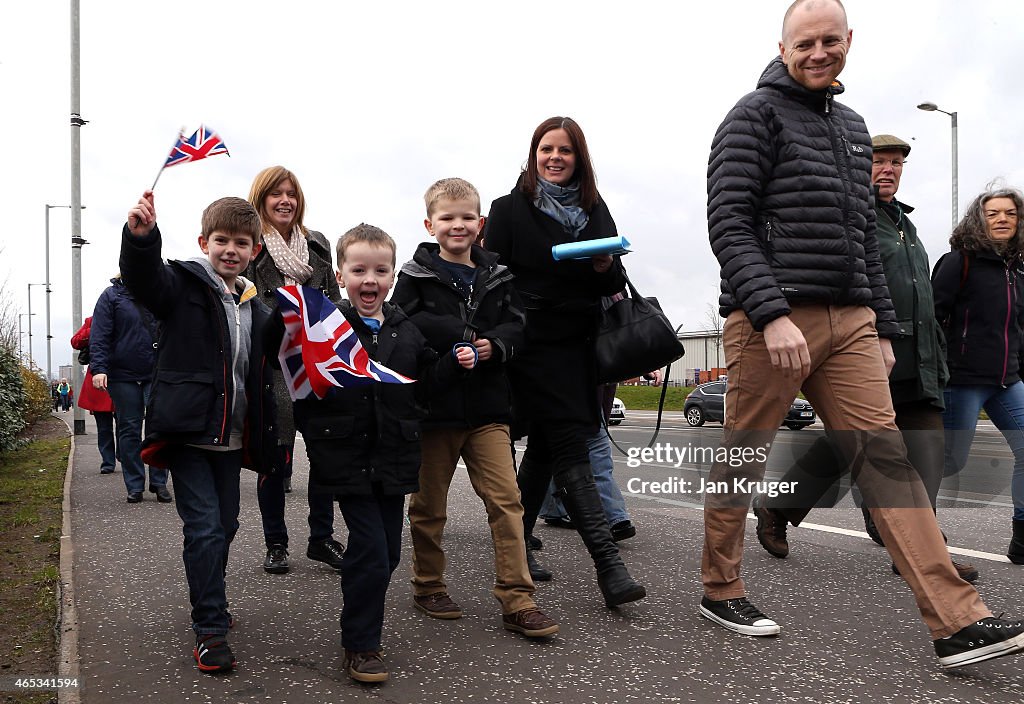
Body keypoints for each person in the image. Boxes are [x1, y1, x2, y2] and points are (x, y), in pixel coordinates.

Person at [703, 0, 1024, 669]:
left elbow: (863, 239)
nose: (818, 52)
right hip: (773, 317)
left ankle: (956, 619)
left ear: (848, 41)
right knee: (744, 456)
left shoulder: (852, 128)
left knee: (887, 460)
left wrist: (878, 320)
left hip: (849, 319)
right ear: (783, 46)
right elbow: (728, 222)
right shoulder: (751, 115)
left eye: (830, 40)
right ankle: (721, 586)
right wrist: (769, 312)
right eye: (804, 43)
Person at [751, 134, 979, 583]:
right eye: (879, 161)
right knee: (843, 445)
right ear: (859, 165)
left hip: (919, 358)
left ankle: (918, 549)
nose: (888, 170)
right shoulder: (849, 216)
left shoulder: (906, 225)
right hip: (865, 349)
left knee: (926, 451)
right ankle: (776, 508)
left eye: (896, 163)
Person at [276, 223, 475, 683]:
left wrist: (456, 362)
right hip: (345, 455)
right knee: (368, 549)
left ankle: (361, 624)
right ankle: (361, 644)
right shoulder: (328, 327)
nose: (371, 280)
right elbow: (296, 372)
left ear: (391, 276)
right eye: (359, 270)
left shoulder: (406, 330)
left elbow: (425, 381)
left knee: (386, 556)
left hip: (395, 457)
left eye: (381, 270)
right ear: (341, 275)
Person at [483, 116, 646, 608]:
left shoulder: (596, 209)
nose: (556, 157)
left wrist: (604, 265)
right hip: (526, 343)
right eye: (547, 149)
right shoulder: (508, 209)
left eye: (566, 151)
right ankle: (608, 567)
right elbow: (490, 278)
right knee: (567, 445)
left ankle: (521, 547)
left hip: (577, 345)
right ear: (534, 155)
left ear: (580, 158)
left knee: (551, 451)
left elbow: (610, 282)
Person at [393, 177, 558, 638]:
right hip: (436, 409)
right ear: (430, 224)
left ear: (480, 223)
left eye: (467, 217)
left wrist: (494, 347)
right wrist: (462, 338)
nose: (458, 225)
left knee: (507, 502)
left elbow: (517, 327)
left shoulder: (499, 275)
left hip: (488, 410)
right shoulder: (413, 277)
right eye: (447, 217)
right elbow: (405, 327)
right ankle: (428, 586)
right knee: (428, 506)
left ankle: (517, 598)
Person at [120, 190, 277, 674]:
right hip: (188, 433)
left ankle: (212, 595)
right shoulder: (182, 286)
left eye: (242, 243)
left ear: (255, 249)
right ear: (203, 241)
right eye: (222, 240)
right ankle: (209, 627)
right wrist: (140, 239)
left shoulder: (254, 305)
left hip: (231, 438)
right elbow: (146, 280)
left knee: (226, 524)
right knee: (206, 528)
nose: (231, 250)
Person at [244, 165, 344, 575]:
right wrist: (286, 322)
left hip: (317, 363)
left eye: (291, 193)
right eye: (276, 194)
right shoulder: (252, 247)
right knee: (275, 460)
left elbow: (334, 302)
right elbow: (247, 305)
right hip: (274, 367)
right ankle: (276, 543)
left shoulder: (317, 245)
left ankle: (321, 538)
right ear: (261, 199)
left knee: (324, 455)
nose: (285, 200)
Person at [932, 185, 1024, 564]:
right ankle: (916, 537)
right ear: (979, 220)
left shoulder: (1018, 268)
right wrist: (940, 370)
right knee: (948, 462)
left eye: (1010, 213)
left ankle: (1022, 537)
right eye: (993, 213)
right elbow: (933, 318)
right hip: (963, 379)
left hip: (1008, 380)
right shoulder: (960, 262)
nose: (1002, 219)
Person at [89, 274, 169, 503]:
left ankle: (159, 481)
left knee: (159, 427)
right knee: (129, 429)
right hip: (122, 374)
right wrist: (99, 368)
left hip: (157, 371)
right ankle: (134, 484)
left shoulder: (161, 292)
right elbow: (100, 335)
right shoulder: (111, 296)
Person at [71, 316, 118, 474]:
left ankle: (124, 455)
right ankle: (108, 461)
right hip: (98, 381)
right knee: (104, 427)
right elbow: (76, 341)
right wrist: (95, 330)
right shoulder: (93, 321)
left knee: (125, 426)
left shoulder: (129, 317)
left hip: (123, 377)